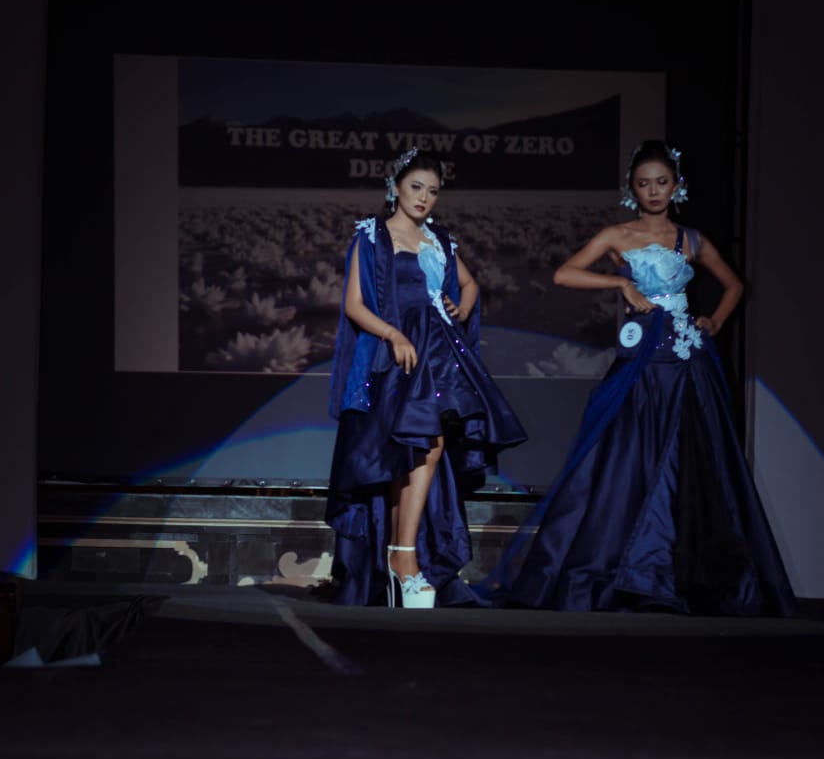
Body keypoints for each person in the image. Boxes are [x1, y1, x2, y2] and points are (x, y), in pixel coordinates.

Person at [487, 139, 795, 616]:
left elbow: (735, 285)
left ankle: (674, 572)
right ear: (632, 189)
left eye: (662, 182)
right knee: (624, 459)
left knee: (692, 462)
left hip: (687, 361)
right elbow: (565, 274)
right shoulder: (618, 235)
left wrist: (713, 320)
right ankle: (626, 569)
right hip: (640, 358)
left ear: (677, 186)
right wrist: (620, 283)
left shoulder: (691, 240)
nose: (653, 191)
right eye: (644, 183)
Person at [326, 148, 527, 607]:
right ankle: (402, 561)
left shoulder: (439, 239)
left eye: (432, 191)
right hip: (398, 355)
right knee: (414, 447)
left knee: (429, 447)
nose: (424, 198)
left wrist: (462, 308)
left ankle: (404, 558)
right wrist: (393, 334)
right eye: (416, 187)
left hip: (440, 352)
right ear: (395, 187)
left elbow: (469, 284)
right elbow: (354, 305)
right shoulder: (373, 235)